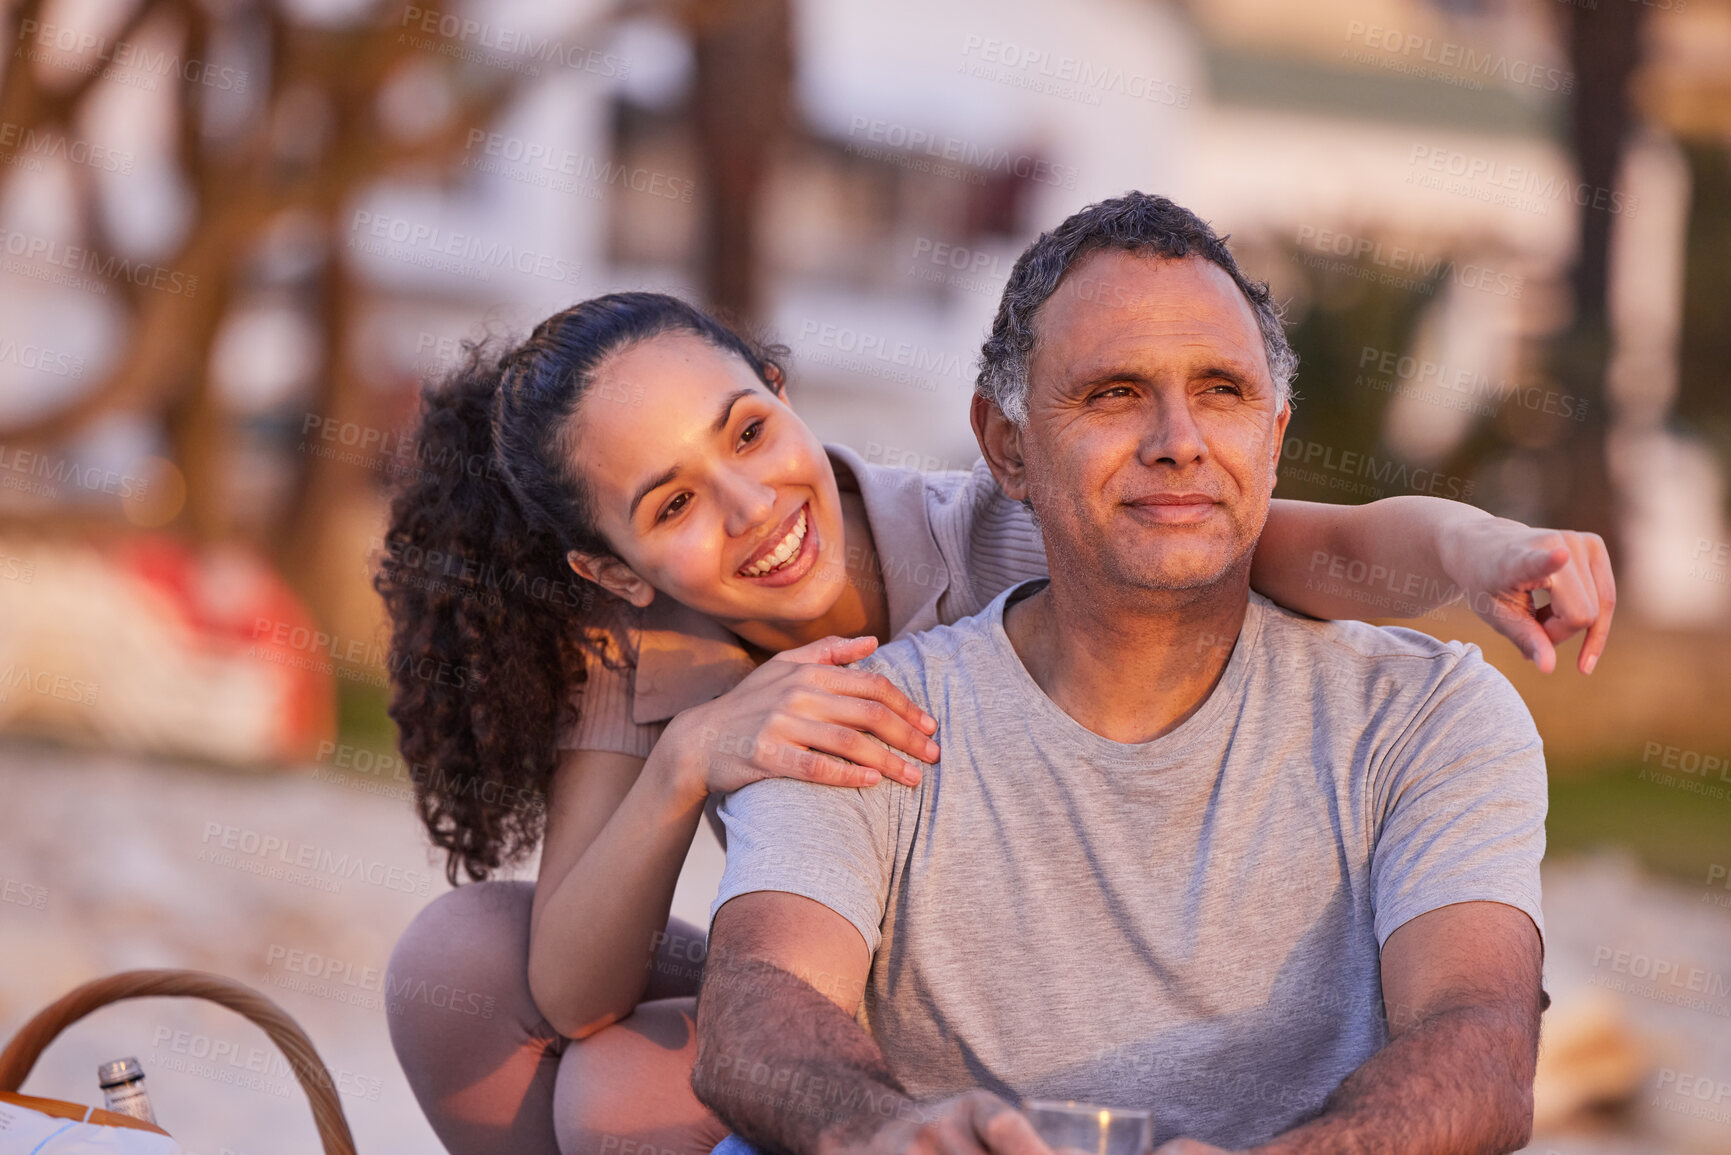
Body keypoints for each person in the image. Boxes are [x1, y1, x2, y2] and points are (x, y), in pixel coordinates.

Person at [379, 284, 1611, 1154]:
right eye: (672, 504)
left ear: (784, 392)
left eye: (751, 431)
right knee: (469, 973)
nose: (754, 504)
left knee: (618, 1096)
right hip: (839, 997)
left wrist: (1481, 544)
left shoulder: (1009, 525)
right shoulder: (639, 647)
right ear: (615, 571)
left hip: (1019, 1004)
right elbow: (571, 988)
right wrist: (693, 758)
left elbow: (1326, 549)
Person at [691, 192, 1561, 1154]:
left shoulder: (1424, 714)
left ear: (1272, 440)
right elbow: (757, 1013)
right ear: (1007, 446)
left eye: (1222, 391)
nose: (1177, 439)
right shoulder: (861, 716)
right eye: (1113, 392)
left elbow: (1478, 1038)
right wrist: (885, 1134)